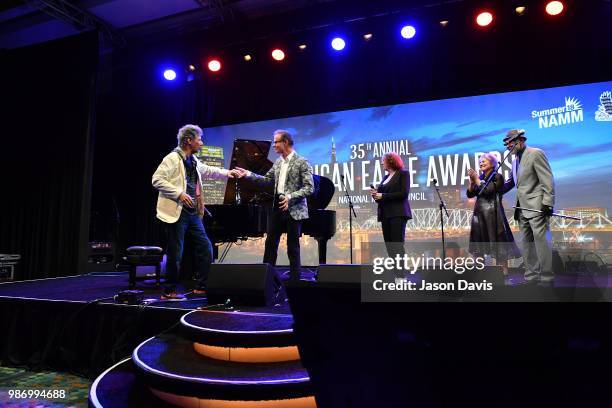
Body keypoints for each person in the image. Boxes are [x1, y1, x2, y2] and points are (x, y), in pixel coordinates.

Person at [152, 124, 239, 299]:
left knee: (205, 247)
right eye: (199, 139)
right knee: (176, 252)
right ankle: (169, 291)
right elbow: (157, 180)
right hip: (176, 212)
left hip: (192, 213)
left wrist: (228, 172)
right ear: (189, 141)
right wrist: (179, 193)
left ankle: (202, 285)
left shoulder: (193, 160)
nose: (201, 142)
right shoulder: (172, 158)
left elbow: (208, 170)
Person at [234, 130, 314, 281]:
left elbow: (309, 188)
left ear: (285, 142)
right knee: (270, 243)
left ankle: (295, 281)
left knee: (293, 246)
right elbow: (266, 180)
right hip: (277, 205)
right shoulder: (278, 162)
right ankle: (267, 279)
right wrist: (249, 174)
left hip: (294, 207)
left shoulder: (302, 161)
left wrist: (290, 197)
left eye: (276, 142)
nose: (274, 145)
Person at [501, 129, 555, 285]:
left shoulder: (535, 153)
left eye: (510, 143)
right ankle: (531, 276)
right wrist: (492, 189)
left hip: (537, 206)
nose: (508, 146)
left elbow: (547, 180)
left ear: (520, 140)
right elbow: (510, 183)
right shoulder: (514, 161)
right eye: (506, 144)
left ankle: (546, 277)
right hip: (521, 209)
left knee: (541, 243)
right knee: (527, 244)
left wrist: (548, 203)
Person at [467, 152, 520, 278]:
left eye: (484, 161)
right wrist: (472, 181)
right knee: (478, 244)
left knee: (498, 243)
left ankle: (504, 272)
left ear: (492, 163)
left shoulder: (498, 177)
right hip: (479, 215)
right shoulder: (479, 177)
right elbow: (470, 194)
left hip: (493, 215)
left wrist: (477, 180)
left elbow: (488, 191)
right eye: (480, 162)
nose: (481, 163)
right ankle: (479, 272)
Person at [370, 152, 412, 264]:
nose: (381, 163)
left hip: (398, 214)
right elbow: (381, 198)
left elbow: (403, 193)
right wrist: (376, 195)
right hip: (385, 215)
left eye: (383, 160)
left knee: (397, 246)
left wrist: (383, 195)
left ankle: (401, 276)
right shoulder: (385, 177)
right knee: (390, 248)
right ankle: (396, 275)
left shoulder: (403, 174)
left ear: (391, 161)